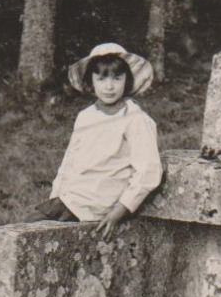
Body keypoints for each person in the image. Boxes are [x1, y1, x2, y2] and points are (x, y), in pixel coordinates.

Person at [35, 42, 164, 239]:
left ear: (127, 81)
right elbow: (70, 161)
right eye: (101, 78)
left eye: (117, 78)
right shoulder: (86, 116)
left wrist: (119, 210)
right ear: (91, 82)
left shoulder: (136, 119)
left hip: (101, 203)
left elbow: (148, 171)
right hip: (73, 199)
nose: (109, 86)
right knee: (23, 229)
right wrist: (56, 197)